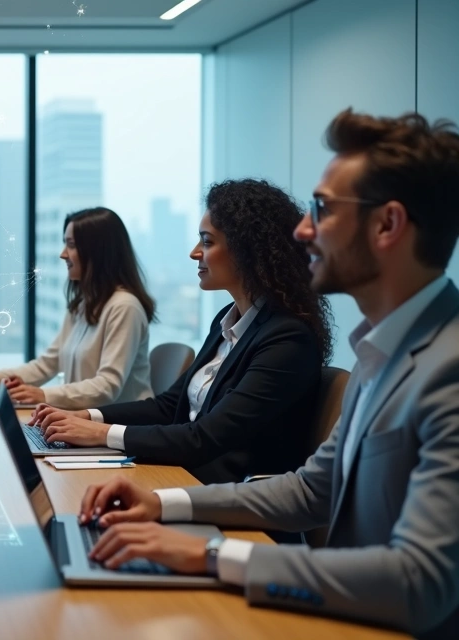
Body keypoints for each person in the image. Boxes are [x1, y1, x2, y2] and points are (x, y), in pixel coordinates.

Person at [71, 109, 459, 638]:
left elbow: (419, 583)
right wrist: (161, 503)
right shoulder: (383, 352)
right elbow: (310, 491)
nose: (302, 230)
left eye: (322, 209)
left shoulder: (447, 371)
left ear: (387, 225)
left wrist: (213, 555)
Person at [31, 179, 334, 484]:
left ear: (248, 249)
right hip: (184, 473)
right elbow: (168, 406)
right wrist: (87, 416)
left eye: (207, 242)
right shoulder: (227, 320)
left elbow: (204, 438)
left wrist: (101, 433)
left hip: (221, 491)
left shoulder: (287, 340)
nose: (194, 253)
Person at [0, 207, 155, 408]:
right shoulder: (83, 305)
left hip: (119, 424)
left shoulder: (125, 307)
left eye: (71, 245)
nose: (63, 254)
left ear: (98, 252)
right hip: (83, 419)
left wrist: (42, 394)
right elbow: (46, 365)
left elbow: (107, 387)